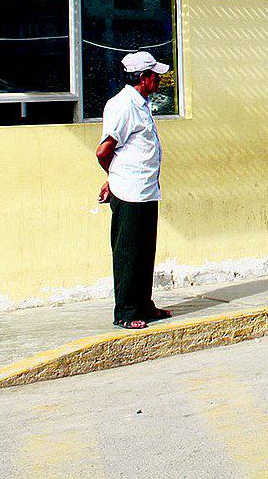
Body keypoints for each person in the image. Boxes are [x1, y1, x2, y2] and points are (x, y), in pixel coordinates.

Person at [96, 51, 171, 330]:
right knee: (128, 252)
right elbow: (104, 151)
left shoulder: (141, 103)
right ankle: (126, 311)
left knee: (144, 250)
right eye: (155, 76)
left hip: (145, 189)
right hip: (129, 191)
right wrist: (112, 179)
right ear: (143, 77)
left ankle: (144, 305)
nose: (159, 80)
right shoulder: (124, 105)